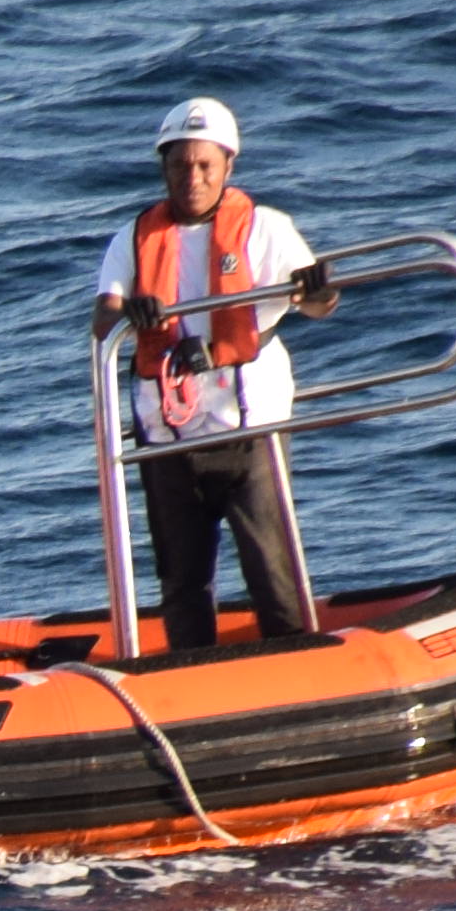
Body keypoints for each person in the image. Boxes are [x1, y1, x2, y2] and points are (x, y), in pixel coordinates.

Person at [85, 97, 339, 661]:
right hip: (168, 437)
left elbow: (317, 305)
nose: (192, 178)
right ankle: (188, 679)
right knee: (181, 580)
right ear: (164, 168)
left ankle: (299, 667)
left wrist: (320, 287)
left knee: (271, 570)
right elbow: (103, 318)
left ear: (227, 167)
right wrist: (131, 314)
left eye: (204, 165)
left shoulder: (266, 230)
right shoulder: (132, 239)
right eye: (180, 165)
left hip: (249, 430)